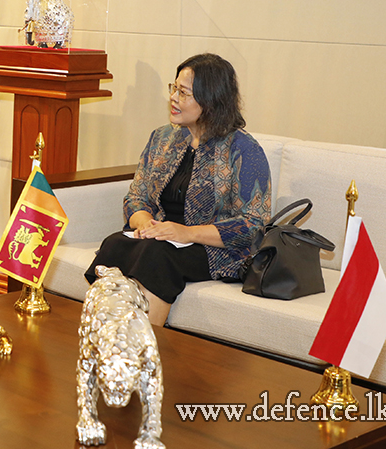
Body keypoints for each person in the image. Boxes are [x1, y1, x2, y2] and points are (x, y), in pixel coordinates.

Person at [84, 53, 271, 326]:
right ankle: (103, 338)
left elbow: (253, 226)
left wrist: (184, 232)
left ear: (210, 100)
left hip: (213, 249)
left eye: (183, 93)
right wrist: (146, 224)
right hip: (162, 239)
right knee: (115, 243)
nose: (173, 98)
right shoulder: (163, 138)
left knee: (156, 255)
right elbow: (136, 197)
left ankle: (143, 355)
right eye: (174, 89)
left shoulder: (243, 150)